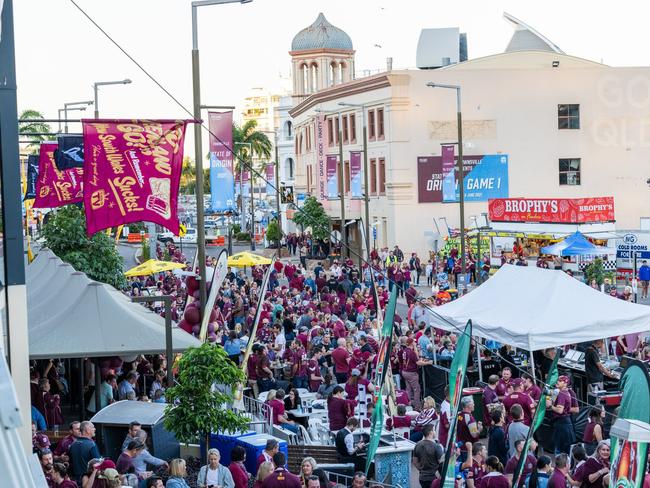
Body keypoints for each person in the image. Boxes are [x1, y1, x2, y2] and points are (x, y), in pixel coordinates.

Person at [547, 375, 575, 454]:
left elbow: (559, 410)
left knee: (559, 450)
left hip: (562, 424)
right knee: (566, 450)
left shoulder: (562, 393)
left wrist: (551, 406)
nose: (557, 382)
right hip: (565, 423)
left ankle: (560, 465)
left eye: (560, 381)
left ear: (565, 383)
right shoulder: (561, 392)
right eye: (558, 380)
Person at [412, 424, 444, 488]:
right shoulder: (436, 446)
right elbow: (441, 462)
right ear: (430, 432)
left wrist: (421, 469)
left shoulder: (418, 445)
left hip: (422, 478)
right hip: (433, 478)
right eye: (434, 430)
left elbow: (414, 461)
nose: (435, 432)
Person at [457, 396, 483, 462]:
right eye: (473, 403)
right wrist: (479, 429)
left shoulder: (459, 415)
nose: (474, 405)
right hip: (468, 449)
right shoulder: (469, 418)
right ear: (468, 405)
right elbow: (474, 434)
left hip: (460, 447)